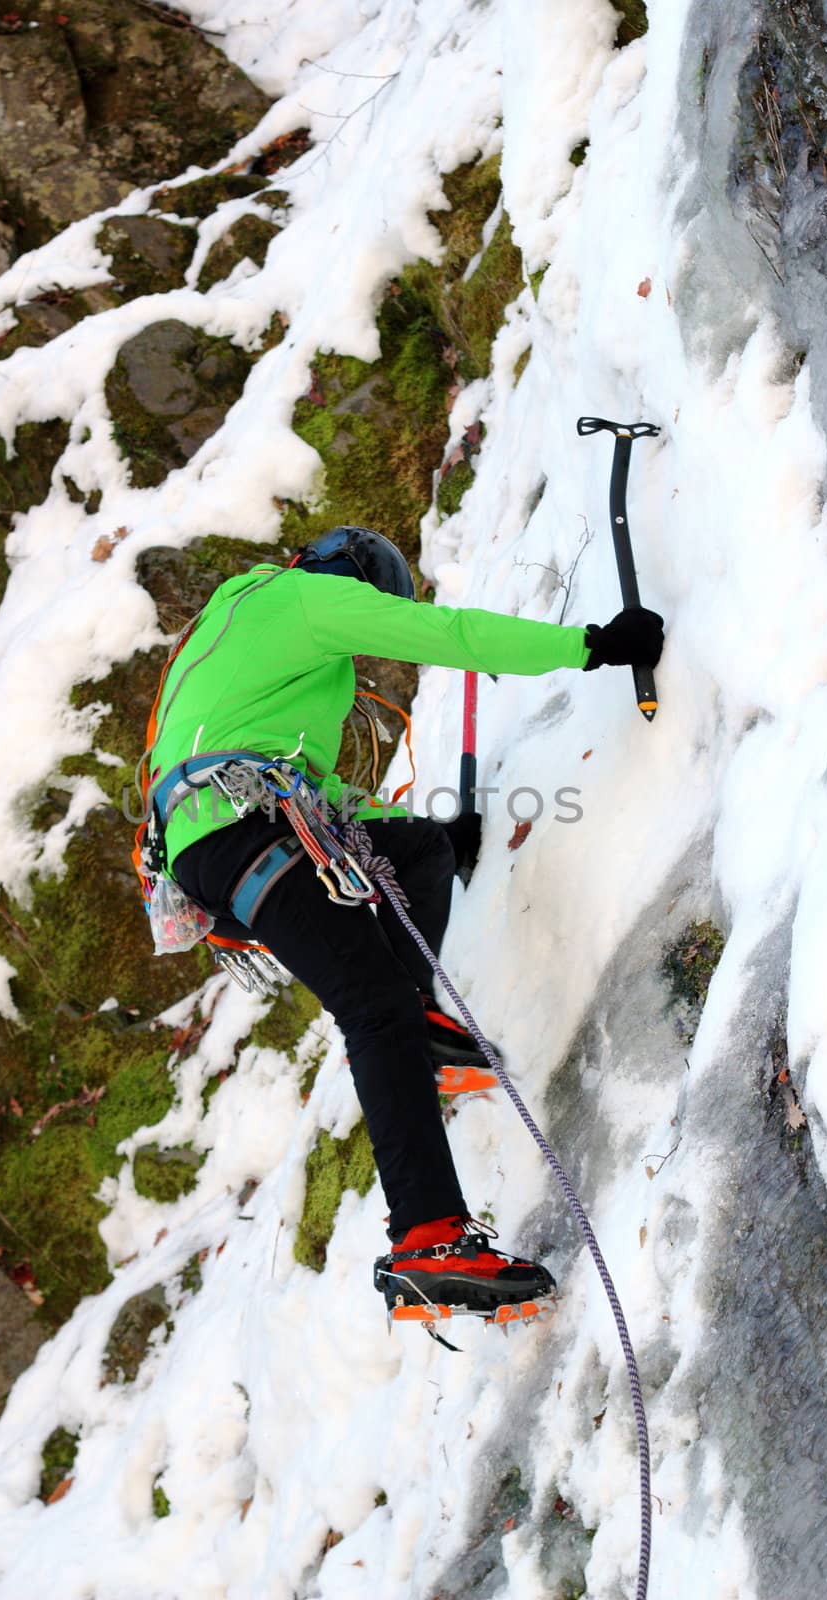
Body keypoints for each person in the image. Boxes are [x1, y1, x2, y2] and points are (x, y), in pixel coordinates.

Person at [145, 526, 664, 1318]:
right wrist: (591, 644)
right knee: (371, 1005)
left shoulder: (229, 628)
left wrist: (435, 841)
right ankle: (426, 1239)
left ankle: (412, 1025)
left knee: (416, 853)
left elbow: (307, 788)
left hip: (226, 833)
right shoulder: (304, 599)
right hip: (239, 830)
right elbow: (443, 635)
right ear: (346, 578)